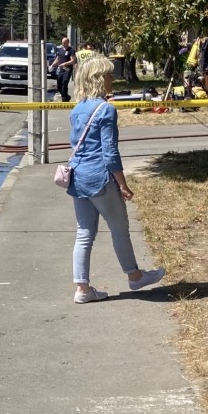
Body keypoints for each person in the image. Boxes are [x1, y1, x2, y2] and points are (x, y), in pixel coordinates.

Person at [66, 55, 166, 304]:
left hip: (77, 176)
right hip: (100, 177)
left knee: (84, 233)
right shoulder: (106, 109)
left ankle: (83, 288)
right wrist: (123, 184)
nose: (114, 79)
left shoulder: (77, 108)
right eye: (110, 75)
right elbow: (109, 153)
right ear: (99, 79)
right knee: (119, 228)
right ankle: (135, 276)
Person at [51, 37, 77, 102]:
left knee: (64, 83)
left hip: (67, 69)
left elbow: (73, 60)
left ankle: (64, 99)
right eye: (62, 42)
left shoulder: (71, 50)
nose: (63, 43)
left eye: (64, 42)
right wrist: (52, 65)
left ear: (68, 42)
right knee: (59, 86)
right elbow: (57, 59)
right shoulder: (60, 50)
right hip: (60, 70)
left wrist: (65, 63)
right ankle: (67, 96)